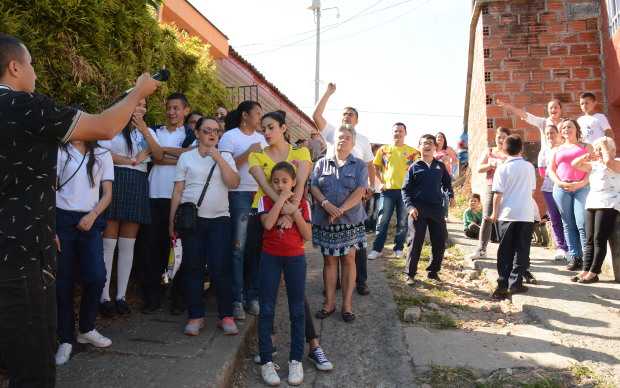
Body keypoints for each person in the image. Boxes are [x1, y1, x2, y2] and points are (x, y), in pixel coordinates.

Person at [0, 33, 159, 387]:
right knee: (32, 364)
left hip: (28, 240)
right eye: (31, 65)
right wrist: (138, 92)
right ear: (14, 67)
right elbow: (103, 126)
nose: (36, 74)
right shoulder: (25, 106)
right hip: (19, 255)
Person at [248, 111, 333, 372]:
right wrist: (283, 208)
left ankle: (313, 345)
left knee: (296, 292)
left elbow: (301, 185)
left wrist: (292, 212)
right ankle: (269, 347)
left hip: (293, 215)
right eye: (263, 128)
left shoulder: (301, 153)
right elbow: (265, 185)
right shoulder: (256, 155)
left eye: (271, 127)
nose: (266, 132)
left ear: (283, 128)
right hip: (265, 216)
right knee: (267, 289)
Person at [169, 117, 240, 336]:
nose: (212, 134)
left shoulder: (226, 156)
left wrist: (218, 157)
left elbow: (233, 183)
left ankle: (226, 316)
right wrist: (171, 222)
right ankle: (195, 316)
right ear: (197, 133)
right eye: (207, 130)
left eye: (216, 131)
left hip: (220, 219)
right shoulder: (186, 158)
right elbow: (178, 191)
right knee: (193, 268)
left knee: (221, 268)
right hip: (192, 220)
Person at [98, 99, 163, 317]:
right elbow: (103, 153)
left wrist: (144, 130)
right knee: (108, 243)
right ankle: (104, 297)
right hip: (115, 180)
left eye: (143, 104)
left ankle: (121, 297)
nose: (139, 107)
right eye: (136, 102)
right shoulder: (112, 125)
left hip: (138, 183)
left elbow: (158, 154)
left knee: (128, 244)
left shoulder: (148, 130)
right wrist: (131, 161)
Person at [54, 140, 114, 365]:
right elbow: (50, 188)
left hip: (91, 217)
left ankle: (87, 327)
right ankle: (66, 339)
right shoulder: (60, 150)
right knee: (63, 282)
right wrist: (51, 228)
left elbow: (107, 192)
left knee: (97, 276)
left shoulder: (102, 152)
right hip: (62, 219)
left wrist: (93, 215)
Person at [313, 83, 375, 295]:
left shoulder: (364, 140)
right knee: (331, 247)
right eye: (344, 114)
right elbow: (316, 114)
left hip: (355, 192)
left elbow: (369, 165)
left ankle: (361, 282)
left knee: (355, 247)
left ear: (357, 120)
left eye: (351, 114)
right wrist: (328, 93)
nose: (347, 116)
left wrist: (370, 187)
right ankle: (334, 284)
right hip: (330, 191)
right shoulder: (332, 132)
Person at [257, 162, 312, 386]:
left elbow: (307, 235)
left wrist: (294, 213)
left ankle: (295, 360)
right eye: (276, 181)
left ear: (293, 182)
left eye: (285, 181)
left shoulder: (304, 204)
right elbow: (269, 224)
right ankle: (267, 362)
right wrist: (281, 201)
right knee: (267, 308)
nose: (280, 185)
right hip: (270, 257)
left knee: (297, 309)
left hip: (295, 258)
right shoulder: (265, 199)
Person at [311, 125, 368, 322]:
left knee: (349, 260)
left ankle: (347, 305)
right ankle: (329, 304)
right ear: (334, 141)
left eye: (347, 137)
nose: (343, 140)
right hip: (326, 219)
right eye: (340, 137)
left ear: (353, 142)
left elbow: (360, 190)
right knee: (329, 261)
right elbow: (314, 187)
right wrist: (327, 205)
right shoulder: (321, 164)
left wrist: (340, 210)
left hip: (350, 221)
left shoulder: (360, 165)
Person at [140, 92, 190, 315]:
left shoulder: (190, 134)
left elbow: (190, 155)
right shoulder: (154, 131)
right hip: (154, 195)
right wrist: (175, 155)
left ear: (185, 111)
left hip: (179, 197)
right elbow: (156, 157)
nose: (171, 112)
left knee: (179, 248)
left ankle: (178, 298)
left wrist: (162, 151)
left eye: (176, 108)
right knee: (151, 248)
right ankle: (152, 297)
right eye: (169, 108)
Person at [218, 100, 267, 320]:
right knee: (238, 248)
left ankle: (252, 296)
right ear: (245, 115)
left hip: (260, 196)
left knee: (256, 249)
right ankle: (236, 299)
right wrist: (248, 152)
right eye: (257, 113)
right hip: (237, 195)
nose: (260, 118)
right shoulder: (230, 136)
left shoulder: (263, 138)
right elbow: (225, 168)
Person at [488, 135, 537, 300]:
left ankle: (502, 284)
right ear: (521, 149)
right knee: (522, 250)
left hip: (507, 214)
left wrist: (494, 213)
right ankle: (516, 284)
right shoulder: (529, 167)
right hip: (525, 214)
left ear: (504, 149)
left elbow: (497, 194)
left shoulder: (502, 168)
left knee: (505, 250)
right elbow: (531, 191)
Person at [401, 134, 454, 285]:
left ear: (435, 147)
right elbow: (405, 190)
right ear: (419, 147)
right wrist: (410, 207)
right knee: (416, 241)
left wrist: (450, 194)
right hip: (418, 209)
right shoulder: (414, 167)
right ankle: (410, 274)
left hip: (437, 208)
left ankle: (433, 271)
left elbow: (447, 183)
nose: (427, 145)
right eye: (424, 143)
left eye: (430, 143)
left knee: (440, 239)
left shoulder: (440, 166)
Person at [570, 136, 620, 283]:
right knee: (590, 238)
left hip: (609, 202)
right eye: (596, 148)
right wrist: (587, 155)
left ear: (611, 149)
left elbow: (609, 162)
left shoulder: (616, 162)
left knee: (599, 237)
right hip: (592, 201)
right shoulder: (594, 165)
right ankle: (586, 269)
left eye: (601, 148)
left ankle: (594, 272)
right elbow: (574, 164)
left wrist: (604, 145)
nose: (598, 151)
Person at [368, 122, 419, 260]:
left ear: (405, 133)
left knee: (402, 222)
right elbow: (375, 167)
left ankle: (398, 249)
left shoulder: (413, 152)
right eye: (395, 131)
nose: (398, 133)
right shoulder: (383, 150)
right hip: (387, 191)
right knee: (382, 221)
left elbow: (417, 172)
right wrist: (382, 182)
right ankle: (377, 249)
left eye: (400, 131)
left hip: (405, 192)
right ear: (392, 133)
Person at [548, 119, 592, 271]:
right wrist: (560, 183)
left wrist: (581, 184)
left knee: (582, 223)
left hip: (582, 187)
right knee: (568, 224)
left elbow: (593, 169)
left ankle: (587, 259)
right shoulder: (556, 149)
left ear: (577, 129)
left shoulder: (586, 147)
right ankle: (575, 257)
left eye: (570, 126)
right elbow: (551, 171)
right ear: (561, 132)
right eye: (564, 127)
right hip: (561, 188)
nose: (567, 129)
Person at [467, 127, 510, 260]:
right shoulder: (490, 151)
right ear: (495, 138)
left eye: (504, 137)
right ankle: (481, 249)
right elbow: (479, 168)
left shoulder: (511, 153)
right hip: (491, 186)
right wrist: (490, 165)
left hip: (508, 188)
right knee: (487, 217)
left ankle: (509, 251)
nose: (501, 140)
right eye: (499, 137)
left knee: (507, 218)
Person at [537, 124, 568, 260]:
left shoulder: (564, 149)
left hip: (565, 187)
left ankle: (571, 247)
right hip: (549, 188)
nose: (550, 136)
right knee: (555, 218)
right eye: (547, 133)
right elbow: (542, 172)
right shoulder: (543, 152)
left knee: (566, 217)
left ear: (558, 134)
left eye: (552, 133)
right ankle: (561, 247)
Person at [496, 98, 562, 149]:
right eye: (550, 108)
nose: (553, 110)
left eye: (555, 107)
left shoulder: (565, 124)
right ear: (547, 110)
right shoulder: (543, 122)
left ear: (560, 109)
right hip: (546, 160)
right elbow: (525, 115)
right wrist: (507, 106)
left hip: (562, 157)